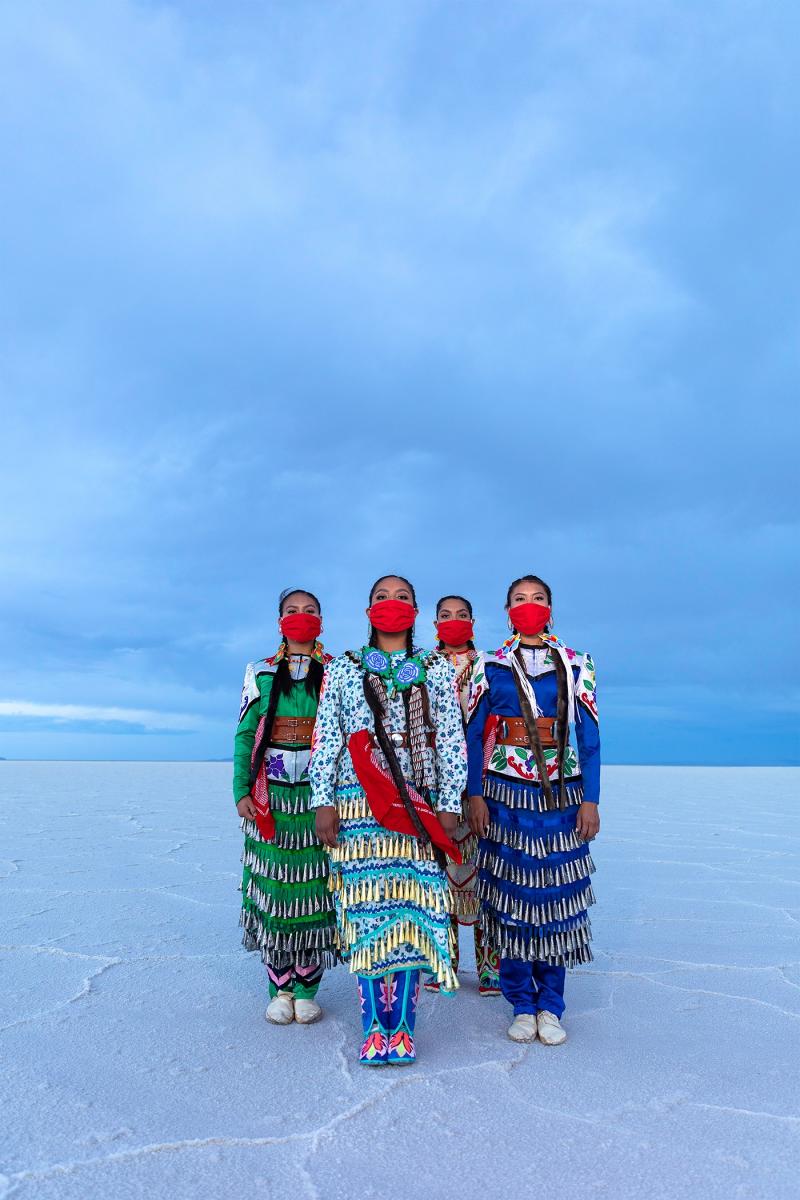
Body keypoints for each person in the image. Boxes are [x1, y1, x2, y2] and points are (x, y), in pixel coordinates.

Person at [309, 574, 466, 1066]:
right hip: (358, 801)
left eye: (402, 599)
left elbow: (451, 736)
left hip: (418, 799)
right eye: (382, 597)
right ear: (367, 610)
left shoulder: (434, 666)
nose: (391, 605)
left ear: (416, 612)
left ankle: (403, 1028)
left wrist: (449, 801)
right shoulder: (343, 668)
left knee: (412, 911)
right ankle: (374, 1026)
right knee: (366, 908)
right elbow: (328, 735)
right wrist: (323, 800)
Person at [466, 575, 600, 1045]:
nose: (529, 606)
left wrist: (591, 799)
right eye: (520, 600)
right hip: (505, 796)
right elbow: (473, 735)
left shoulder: (576, 664)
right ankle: (521, 1001)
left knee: (558, 901)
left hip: (563, 797)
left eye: (537, 599)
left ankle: (552, 1004)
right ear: (507, 612)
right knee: (512, 897)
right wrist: (474, 794)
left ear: (551, 608)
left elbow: (589, 738)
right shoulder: (491, 665)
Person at [233, 588, 337, 1026]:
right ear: (279, 622)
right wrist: (241, 790)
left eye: (309, 611)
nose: (301, 617)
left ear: (321, 621)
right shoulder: (260, 672)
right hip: (270, 798)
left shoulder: (335, 673)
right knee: (275, 891)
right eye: (292, 611)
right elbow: (244, 735)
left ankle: (308, 988)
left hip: (319, 800)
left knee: (315, 890)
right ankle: (279, 986)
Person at [423, 595, 500, 996]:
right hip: (430, 780)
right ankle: (444, 964)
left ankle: (491, 967)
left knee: (485, 871)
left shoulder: (490, 666)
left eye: (462, 615)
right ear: (434, 623)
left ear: (473, 621)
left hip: (481, 779)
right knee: (438, 871)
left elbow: (493, 722)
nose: (454, 621)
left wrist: (478, 786)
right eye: (445, 616)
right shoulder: (421, 666)